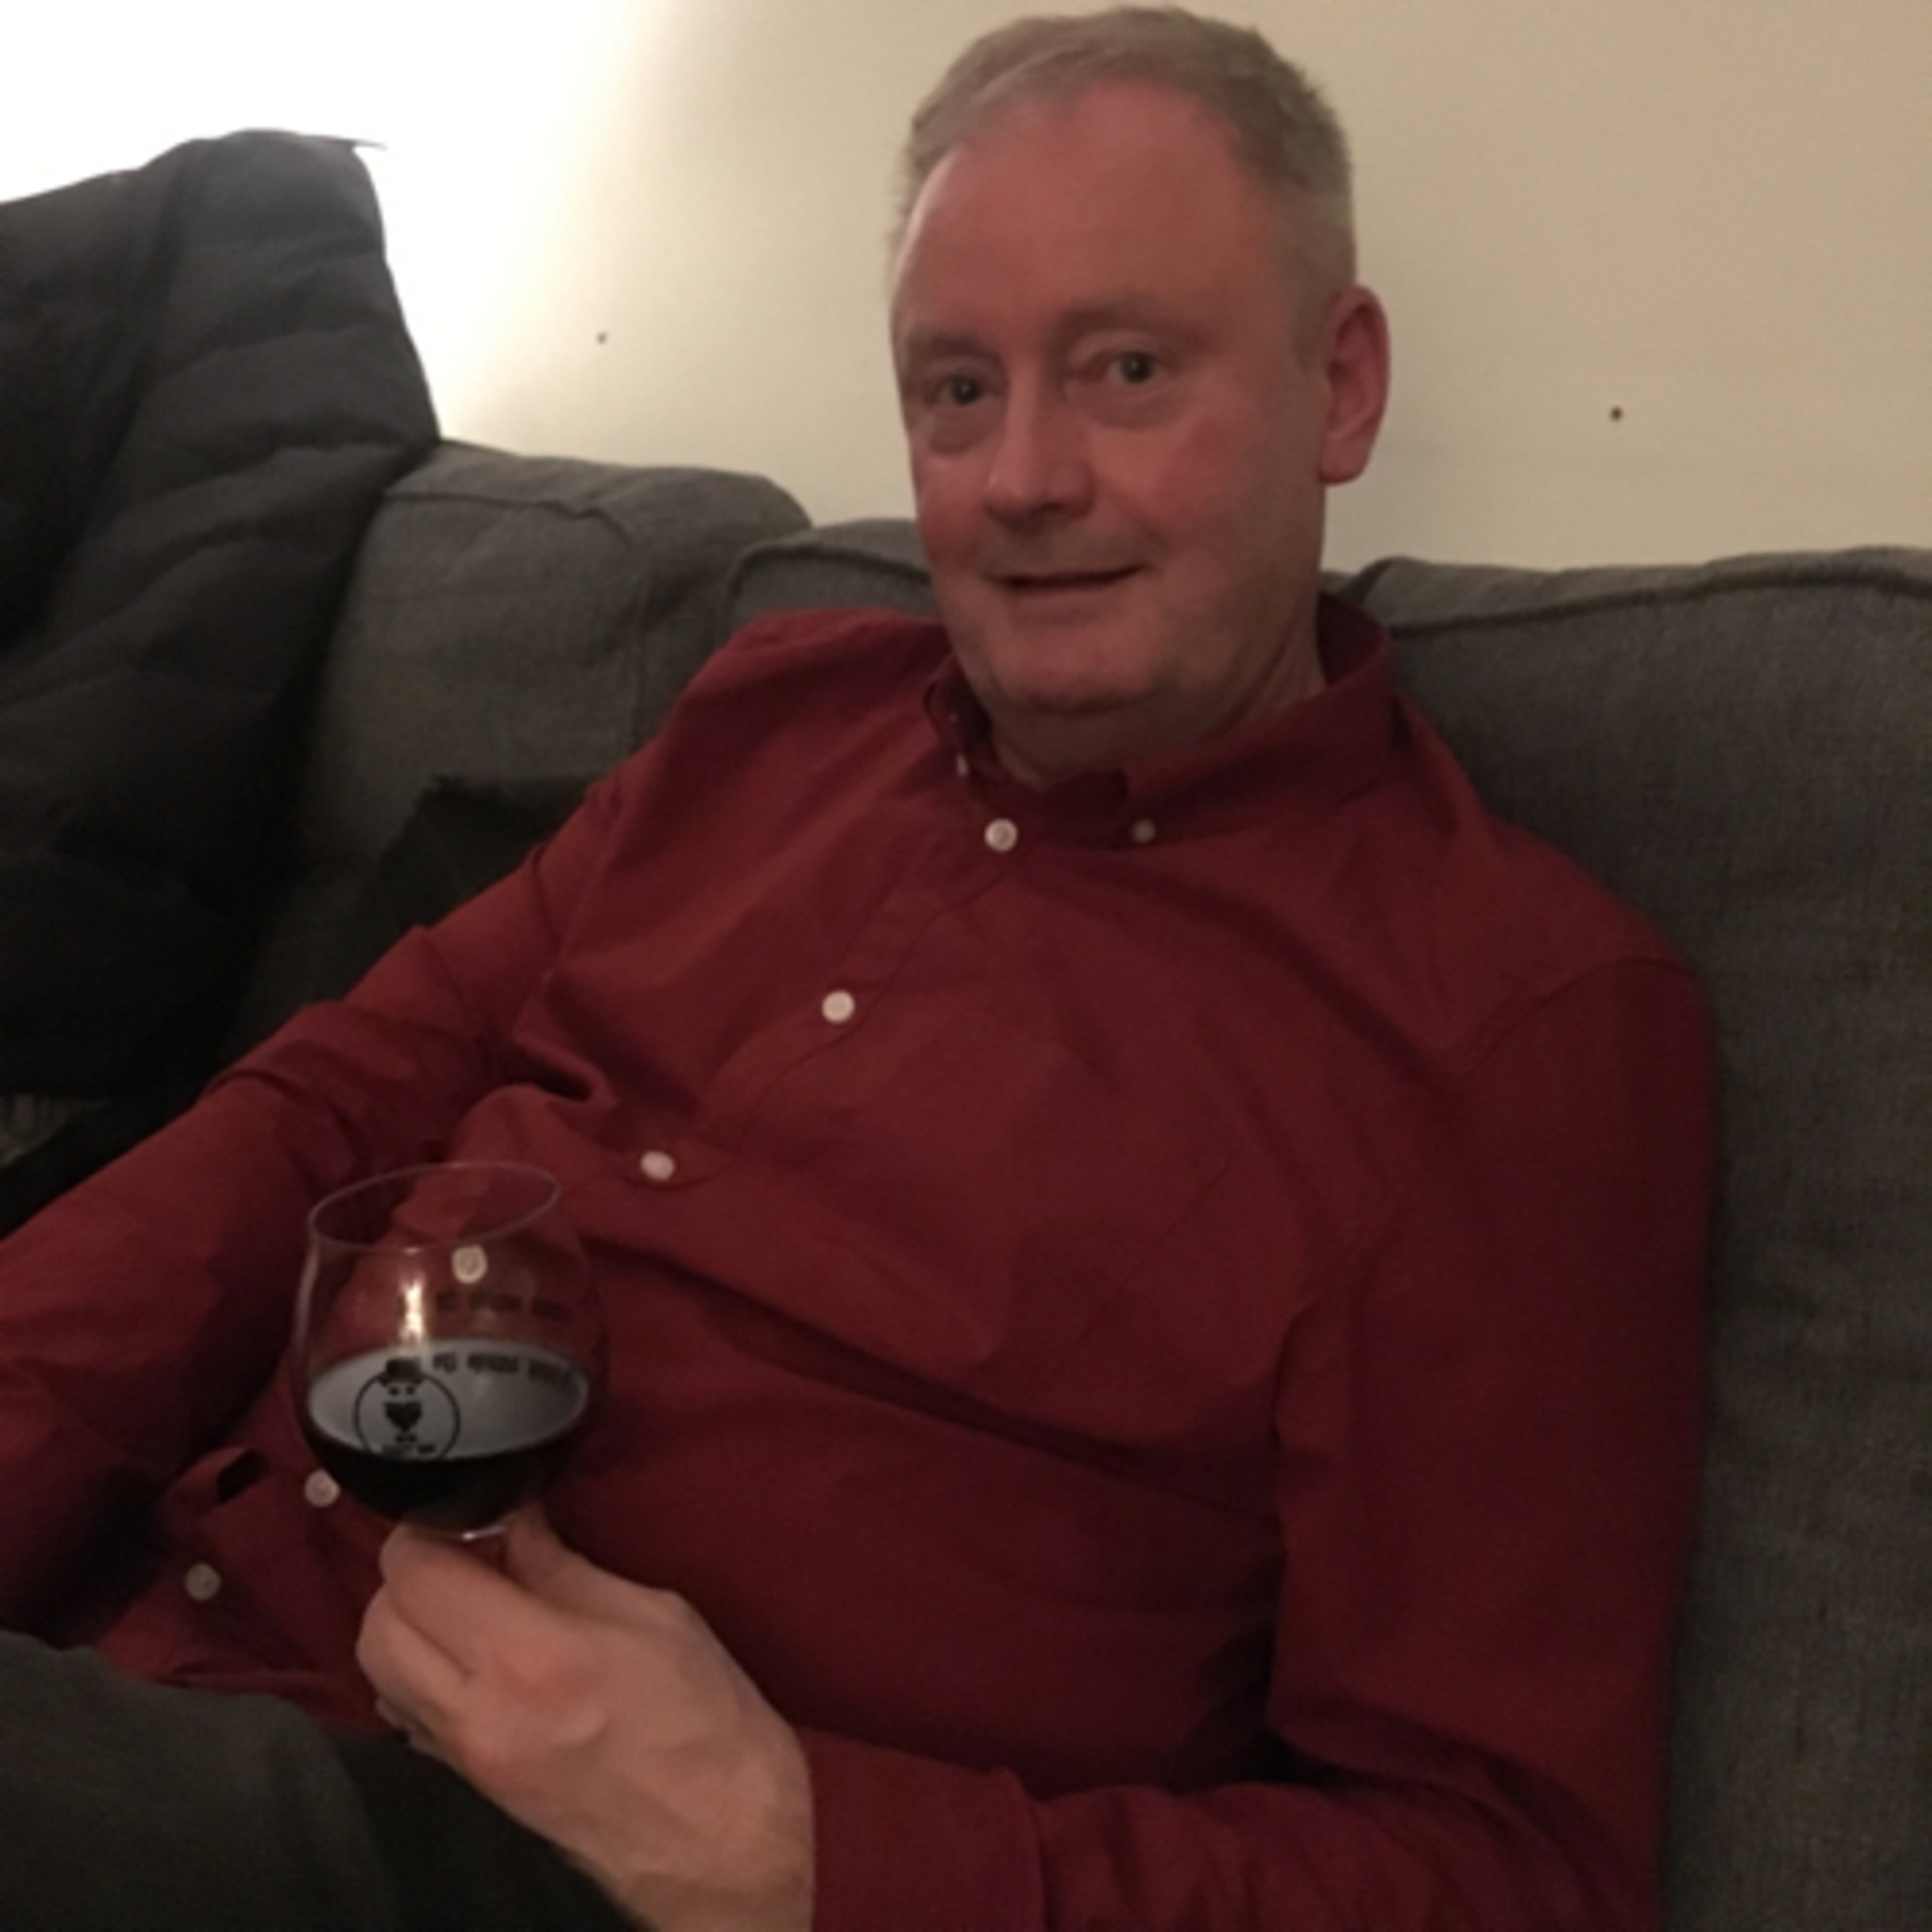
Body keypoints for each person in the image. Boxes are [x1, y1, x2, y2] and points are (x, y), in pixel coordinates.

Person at [0, 8, 1713, 1929]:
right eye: (958, 389)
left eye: (1127, 369)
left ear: (1344, 385)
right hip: (129, 1672)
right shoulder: (774, 713)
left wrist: (806, 1848)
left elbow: (1510, 1872)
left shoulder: (1514, 1023)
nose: (1022, 476)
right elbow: (323, 1110)